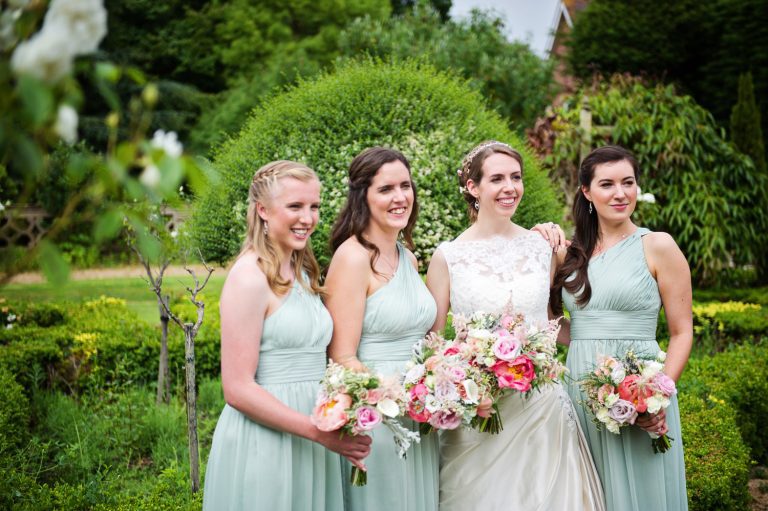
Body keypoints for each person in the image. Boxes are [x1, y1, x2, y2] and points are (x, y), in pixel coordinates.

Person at [426, 140, 606, 511]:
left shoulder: (546, 247)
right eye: (497, 179)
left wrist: (609, 349)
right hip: (480, 411)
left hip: (541, 410)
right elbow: (434, 343)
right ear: (472, 187)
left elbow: (555, 320)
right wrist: (455, 389)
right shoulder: (448, 257)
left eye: (516, 177)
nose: (510, 187)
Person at [202, 160, 371, 511]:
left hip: (312, 434)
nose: (307, 218)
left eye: (314, 207)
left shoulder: (302, 271)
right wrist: (316, 431)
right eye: (295, 206)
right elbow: (237, 388)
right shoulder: (249, 278)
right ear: (262, 210)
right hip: (268, 440)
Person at [552, 145, 691, 511]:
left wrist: (656, 395)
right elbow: (552, 321)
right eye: (607, 184)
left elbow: (681, 332)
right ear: (586, 191)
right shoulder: (569, 254)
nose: (620, 193)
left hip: (640, 386)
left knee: (644, 490)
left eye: (628, 182)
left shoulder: (658, 245)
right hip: (580, 388)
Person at [325, 147, 440, 511]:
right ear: (363, 196)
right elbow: (342, 355)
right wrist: (391, 397)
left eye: (405, 186)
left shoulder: (408, 257)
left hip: (421, 410)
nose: (400, 197)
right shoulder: (352, 257)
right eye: (386, 189)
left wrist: (434, 388)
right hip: (377, 413)